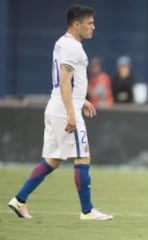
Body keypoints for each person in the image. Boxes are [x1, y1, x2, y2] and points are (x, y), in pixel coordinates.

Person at [8, 4, 113, 220]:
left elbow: (65, 81)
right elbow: (65, 81)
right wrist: (72, 112)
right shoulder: (72, 47)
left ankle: (19, 200)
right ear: (76, 25)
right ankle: (87, 211)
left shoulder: (63, 43)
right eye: (89, 23)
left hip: (58, 104)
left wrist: (80, 99)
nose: (94, 27)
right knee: (83, 157)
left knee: (53, 160)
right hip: (65, 109)